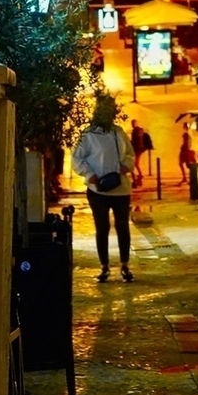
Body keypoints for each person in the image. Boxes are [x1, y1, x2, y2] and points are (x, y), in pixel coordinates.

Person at [72, 95, 135, 282]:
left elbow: (130, 153)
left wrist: (125, 166)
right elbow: (77, 158)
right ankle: (104, 266)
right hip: (97, 189)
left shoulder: (118, 132)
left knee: (122, 226)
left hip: (120, 188)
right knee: (102, 227)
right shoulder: (88, 134)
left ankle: (124, 265)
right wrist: (90, 174)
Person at [178, 127, 198, 199]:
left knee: (189, 166)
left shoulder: (188, 142)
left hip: (186, 154)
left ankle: (188, 178)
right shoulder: (187, 142)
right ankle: (185, 177)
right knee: (183, 165)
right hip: (185, 154)